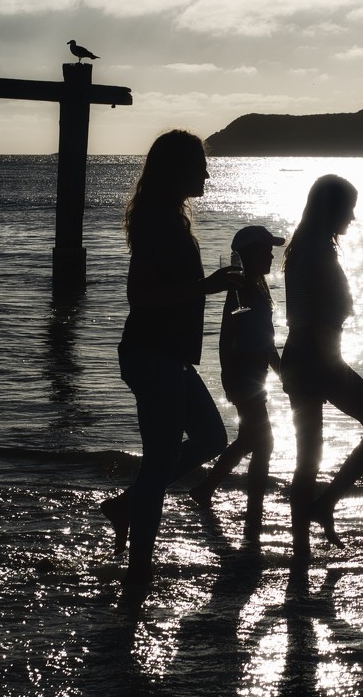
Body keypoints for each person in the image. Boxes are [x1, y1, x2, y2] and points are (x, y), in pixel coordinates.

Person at [101, 129, 240, 586]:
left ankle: (127, 507)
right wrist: (206, 286)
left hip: (171, 354)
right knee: (161, 460)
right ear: (177, 170)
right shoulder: (156, 222)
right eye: (199, 164)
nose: (206, 172)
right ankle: (139, 568)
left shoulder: (172, 220)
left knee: (210, 438)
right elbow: (140, 296)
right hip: (152, 352)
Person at [280, 174, 363, 569]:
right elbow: (316, 317)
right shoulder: (317, 251)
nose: (353, 216)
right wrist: (328, 367)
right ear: (330, 209)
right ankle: (323, 506)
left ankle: (302, 553)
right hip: (317, 357)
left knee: (308, 459)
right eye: (348, 207)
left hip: (302, 356)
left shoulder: (303, 247)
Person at [189, 225, 285, 542]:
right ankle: (251, 509)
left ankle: (207, 490)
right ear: (248, 255)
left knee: (249, 441)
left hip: (254, 373)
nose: (272, 254)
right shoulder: (242, 288)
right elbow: (228, 335)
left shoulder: (257, 287)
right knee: (263, 442)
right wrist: (228, 374)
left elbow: (266, 339)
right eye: (265, 249)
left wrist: (279, 370)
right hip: (245, 374)